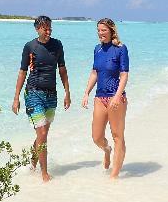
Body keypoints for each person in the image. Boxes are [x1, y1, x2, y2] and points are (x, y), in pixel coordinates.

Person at [11, 15, 71, 182]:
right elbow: (23, 72)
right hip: (33, 93)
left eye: (50, 27)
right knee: (43, 132)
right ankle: (44, 174)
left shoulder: (57, 45)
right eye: (45, 28)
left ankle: (32, 163)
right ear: (37, 29)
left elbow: (63, 70)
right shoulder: (30, 47)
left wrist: (67, 92)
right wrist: (16, 98)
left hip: (51, 95)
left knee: (42, 135)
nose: (48, 31)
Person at [81, 17, 129, 179]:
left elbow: (124, 74)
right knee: (96, 137)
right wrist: (86, 92)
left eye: (103, 30)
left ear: (111, 31)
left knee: (118, 136)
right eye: (98, 30)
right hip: (100, 97)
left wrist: (117, 96)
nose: (100, 33)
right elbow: (95, 72)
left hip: (116, 98)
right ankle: (107, 150)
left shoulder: (121, 49)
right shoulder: (97, 49)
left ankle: (114, 176)